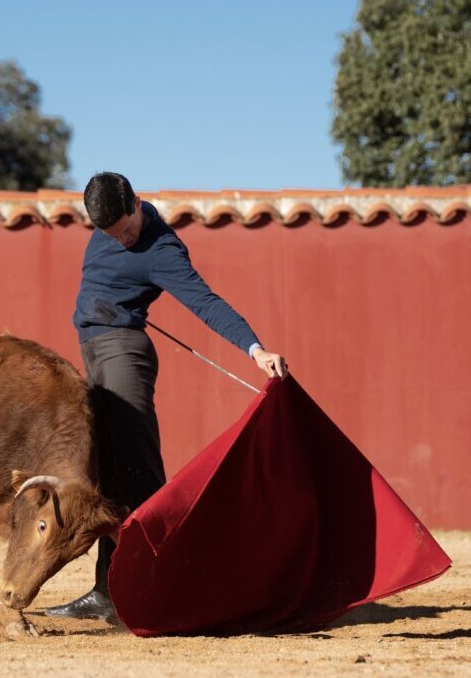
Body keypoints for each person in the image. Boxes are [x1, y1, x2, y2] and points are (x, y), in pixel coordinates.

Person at [46, 171, 287, 624]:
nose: (122, 240)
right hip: (96, 353)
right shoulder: (109, 218)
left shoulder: (161, 249)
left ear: (138, 203)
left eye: (127, 230)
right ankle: (108, 592)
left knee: (137, 474)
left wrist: (255, 349)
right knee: (110, 477)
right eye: (111, 234)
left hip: (123, 354)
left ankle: (172, 586)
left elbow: (207, 303)